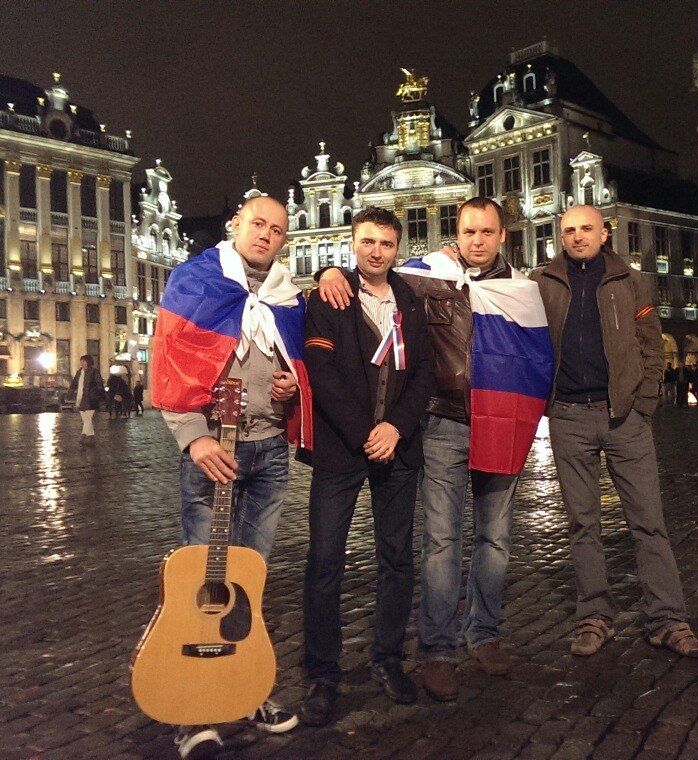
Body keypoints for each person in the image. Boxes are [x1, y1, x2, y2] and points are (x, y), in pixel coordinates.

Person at [314, 197, 553, 702]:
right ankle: (438, 649)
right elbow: (372, 270)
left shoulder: (524, 289)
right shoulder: (429, 277)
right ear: (456, 235)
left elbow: (539, 359)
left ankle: (484, 633)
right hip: (444, 421)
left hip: (500, 423)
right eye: (469, 231)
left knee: (495, 538)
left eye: (486, 232)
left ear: (502, 235)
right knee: (441, 540)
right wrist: (327, 271)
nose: (477, 240)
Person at [152, 194, 307, 757]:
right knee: (200, 578)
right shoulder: (197, 280)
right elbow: (169, 359)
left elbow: (297, 362)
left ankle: (246, 687)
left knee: (249, 580)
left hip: (270, 449)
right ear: (235, 225)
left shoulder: (287, 294)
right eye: (257, 223)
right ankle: (192, 709)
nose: (266, 234)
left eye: (277, 229)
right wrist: (193, 437)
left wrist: (293, 386)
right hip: (214, 448)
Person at [531, 204, 698, 659]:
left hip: (624, 418)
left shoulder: (631, 281)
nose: (577, 236)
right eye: (569, 230)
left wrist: (643, 403)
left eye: (586, 229)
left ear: (604, 233)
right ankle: (594, 617)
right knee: (582, 524)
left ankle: (667, 619)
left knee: (649, 521)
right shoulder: (541, 282)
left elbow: (651, 344)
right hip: (569, 416)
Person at [299, 207, 434, 726]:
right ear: (352, 244)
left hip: (397, 448)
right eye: (368, 241)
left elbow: (424, 373)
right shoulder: (328, 297)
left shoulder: (411, 300)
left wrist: (395, 427)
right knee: (325, 559)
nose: (376, 251)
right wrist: (365, 432)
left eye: (386, 243)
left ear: (398, 248)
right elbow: (322, 373)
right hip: (342, 450)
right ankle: (322, 673)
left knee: (396, 558)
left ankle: (388, 657)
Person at [69, 356, 104, 446]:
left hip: (91, 398)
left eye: (83, 361)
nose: (82, 363)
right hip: (80, 398)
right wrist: (69, 395)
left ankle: (83, 436)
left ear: (88, 362)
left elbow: (99, 384)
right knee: (85, 419)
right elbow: (74, 384)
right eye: (81, 361)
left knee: (88, 418)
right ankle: (91, 438)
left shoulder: (94, 372)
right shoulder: (79, 372)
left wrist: (100, 396)